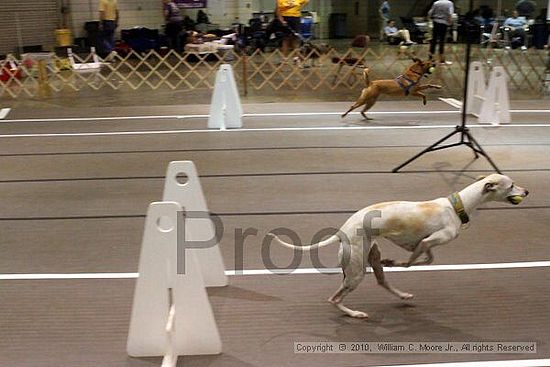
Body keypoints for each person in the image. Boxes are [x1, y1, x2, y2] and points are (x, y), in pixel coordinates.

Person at [428, 0, 454, 65]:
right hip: (444, 23)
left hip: (436, 22)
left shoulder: (436, 2)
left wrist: (430, 20)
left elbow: (430, 13)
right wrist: (450, 22)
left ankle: (430, 59)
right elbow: (450, 13)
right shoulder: (449, 3)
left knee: (434, 40)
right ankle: (442, 60)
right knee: (442, 41)